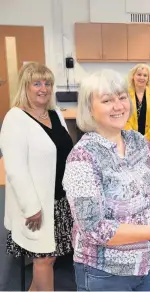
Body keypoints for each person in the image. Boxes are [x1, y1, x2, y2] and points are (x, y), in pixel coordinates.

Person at [62, 69, 150, 291]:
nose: (118, 105)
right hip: (104, 272)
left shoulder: (138, 142)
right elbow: (94, 228)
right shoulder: (83, 157)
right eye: (107, 100)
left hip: (146, 263)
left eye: (122, 97)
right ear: (89, 110)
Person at [0, 62, 74, 291]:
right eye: (37, 83)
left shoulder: (55, 114)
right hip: (36, 205)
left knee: (49, 258)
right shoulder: (15, 118)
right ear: (26, 86)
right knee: (42, 260)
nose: (44, 88)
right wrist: (31, 207)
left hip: (59, 199)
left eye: (48, 83)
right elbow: (15, 168)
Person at [125, 63, 150, 143]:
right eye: (139, 74)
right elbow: (123, 117)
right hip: (130, 139)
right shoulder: (125, 94)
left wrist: (147, 137)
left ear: (148, 78)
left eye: (145, 75)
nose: (142, 77)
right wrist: (133, 136)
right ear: (133, 76)